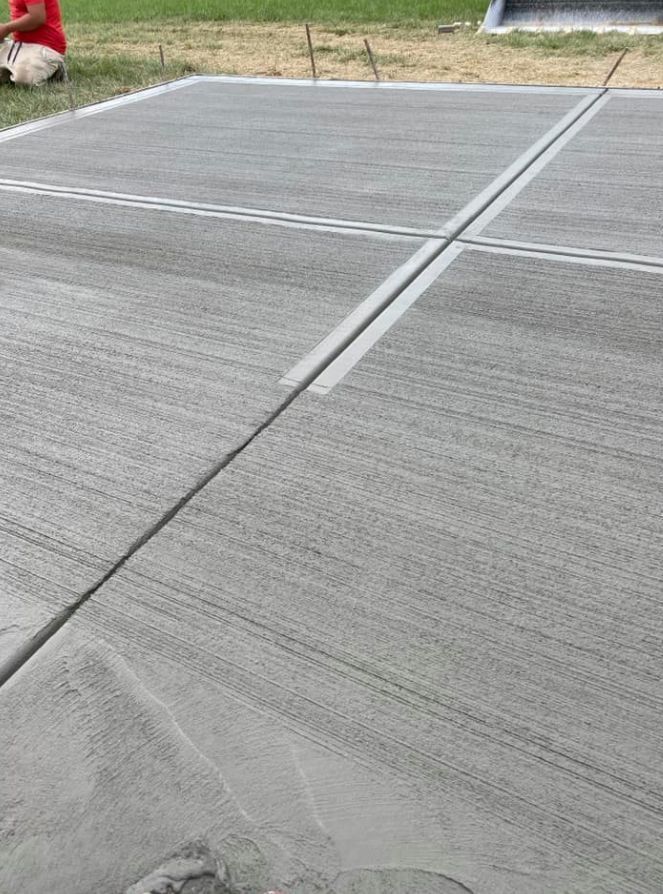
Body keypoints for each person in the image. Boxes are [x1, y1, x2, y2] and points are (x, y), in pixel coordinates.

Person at [0, 0, 66, 87]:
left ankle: (55, 67)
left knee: (24, 79)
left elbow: (37, 17)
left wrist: (6, 28)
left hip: (46, 46)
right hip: (21, 44)